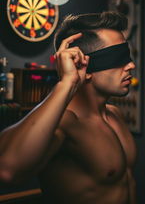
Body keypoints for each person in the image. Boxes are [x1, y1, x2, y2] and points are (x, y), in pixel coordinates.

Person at [0, 11, 137, 204]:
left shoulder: (114, 115)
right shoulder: (65, 123)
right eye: (118, 57)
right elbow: (7, 170)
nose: (131, 65)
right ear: (84, 65)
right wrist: (67, 83)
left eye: (127, 55)